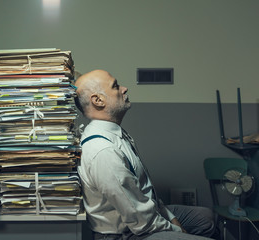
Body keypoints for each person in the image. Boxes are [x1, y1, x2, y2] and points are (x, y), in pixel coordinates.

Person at [74, 69, 216, 240]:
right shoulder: (103, 150)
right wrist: (177, 230)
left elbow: (145, 192)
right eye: (116, 86)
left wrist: (171, 217)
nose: (124, 89)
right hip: (127, 234)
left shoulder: (114, 134)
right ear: (98, 100)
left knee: (205, 218)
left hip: (145, 217)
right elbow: (140, 220)